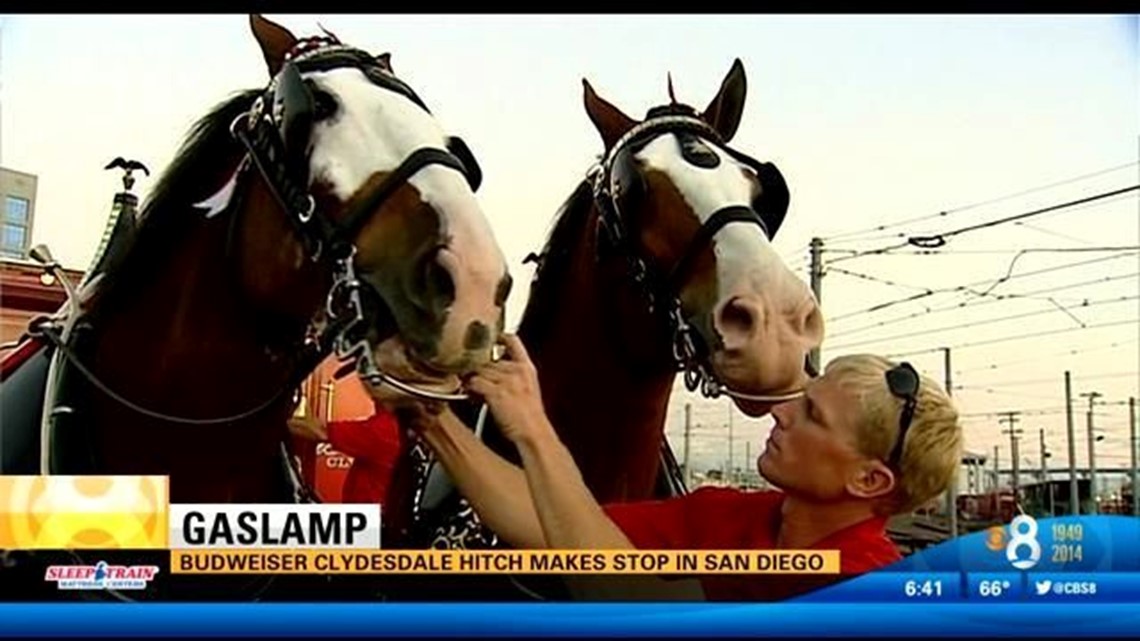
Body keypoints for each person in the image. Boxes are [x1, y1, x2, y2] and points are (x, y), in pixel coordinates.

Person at [401, 334, 963, 601]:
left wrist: (532, 427)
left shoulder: (863, 590)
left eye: (812, 414)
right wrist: (428, 418)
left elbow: (629, 600)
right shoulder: (724, 514)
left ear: (868, 480)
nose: (782, 412)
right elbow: (552, 526)